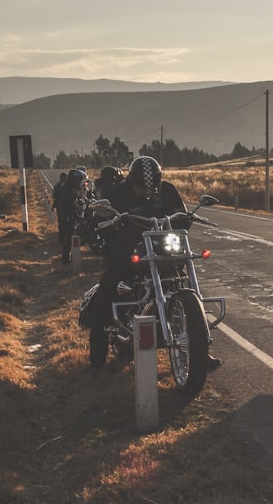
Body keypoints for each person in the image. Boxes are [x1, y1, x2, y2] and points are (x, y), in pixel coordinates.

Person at [88, 156, 221, 368]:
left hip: (163, 250)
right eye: (141, 185)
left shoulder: (167, 190)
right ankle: (97, 357)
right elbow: (98, 219)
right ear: (132, 180)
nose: (146, 190)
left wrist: (187, 218)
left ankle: (199, 351)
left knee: (186, 286)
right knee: (106, 292)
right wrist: (108, 222)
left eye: (152, 185)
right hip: (127, 252)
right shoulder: (117, 193)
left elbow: (181, 215)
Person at [52, 168, 88, 263]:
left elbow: (81, 198)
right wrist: (78, 207)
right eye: (79, 180)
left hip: (73, 214)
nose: (80, 183)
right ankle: (66, 258)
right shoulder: (66, 189)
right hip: (68, 215)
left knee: (73, 235)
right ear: (74, 180)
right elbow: (69, 202)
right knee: (69, 236)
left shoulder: (75, 188)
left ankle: (69, 256)